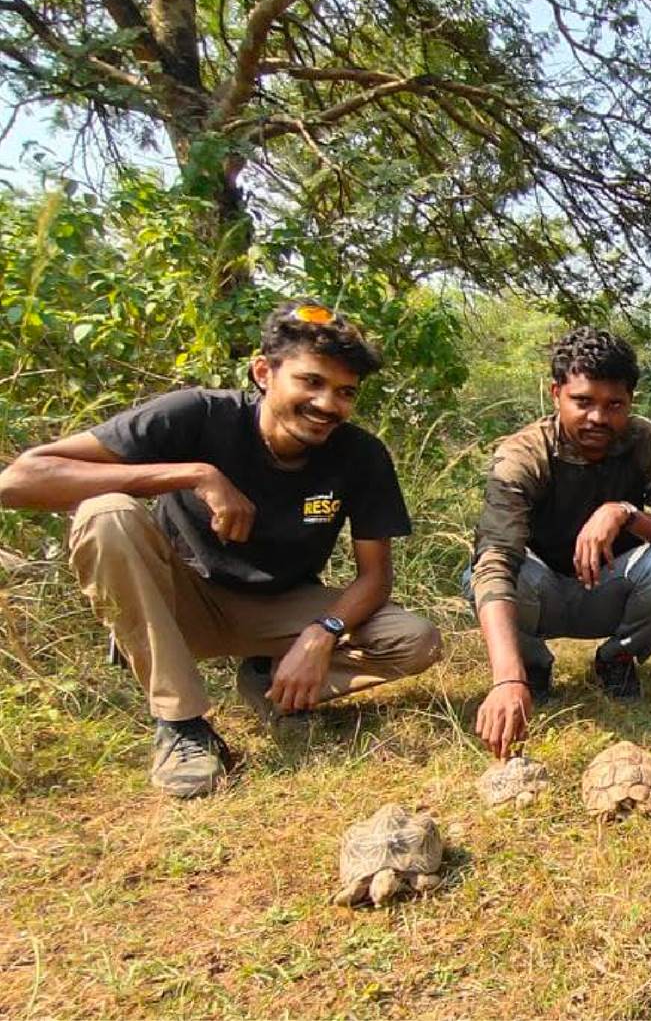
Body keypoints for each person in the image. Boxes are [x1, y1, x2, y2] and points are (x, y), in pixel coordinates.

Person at [0, 302, 442, 798]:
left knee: (413, 638)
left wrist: (321, 636)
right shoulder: (196, 415)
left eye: (344, 393)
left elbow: (374, 578)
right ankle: (182, 725)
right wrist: (193, 473)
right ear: (263, 372)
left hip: (280, 608)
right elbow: (19, 480)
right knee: (105, 514)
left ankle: (269, 679)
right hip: (182, 600)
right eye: (311, 382)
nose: (327, 404)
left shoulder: (360, 454)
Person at [469, 326, 651, 757]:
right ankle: (530, 668)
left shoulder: (645, 442)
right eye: (583, 402)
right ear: (556, 392)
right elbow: (495, 561)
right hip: (540, 589)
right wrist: (505, 677)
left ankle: (617, 659)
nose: (598, 418)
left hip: (609, 587)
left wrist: (626, 514)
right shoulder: (523, 454)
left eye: (614, 404)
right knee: (479, 573)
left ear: (630, 402)